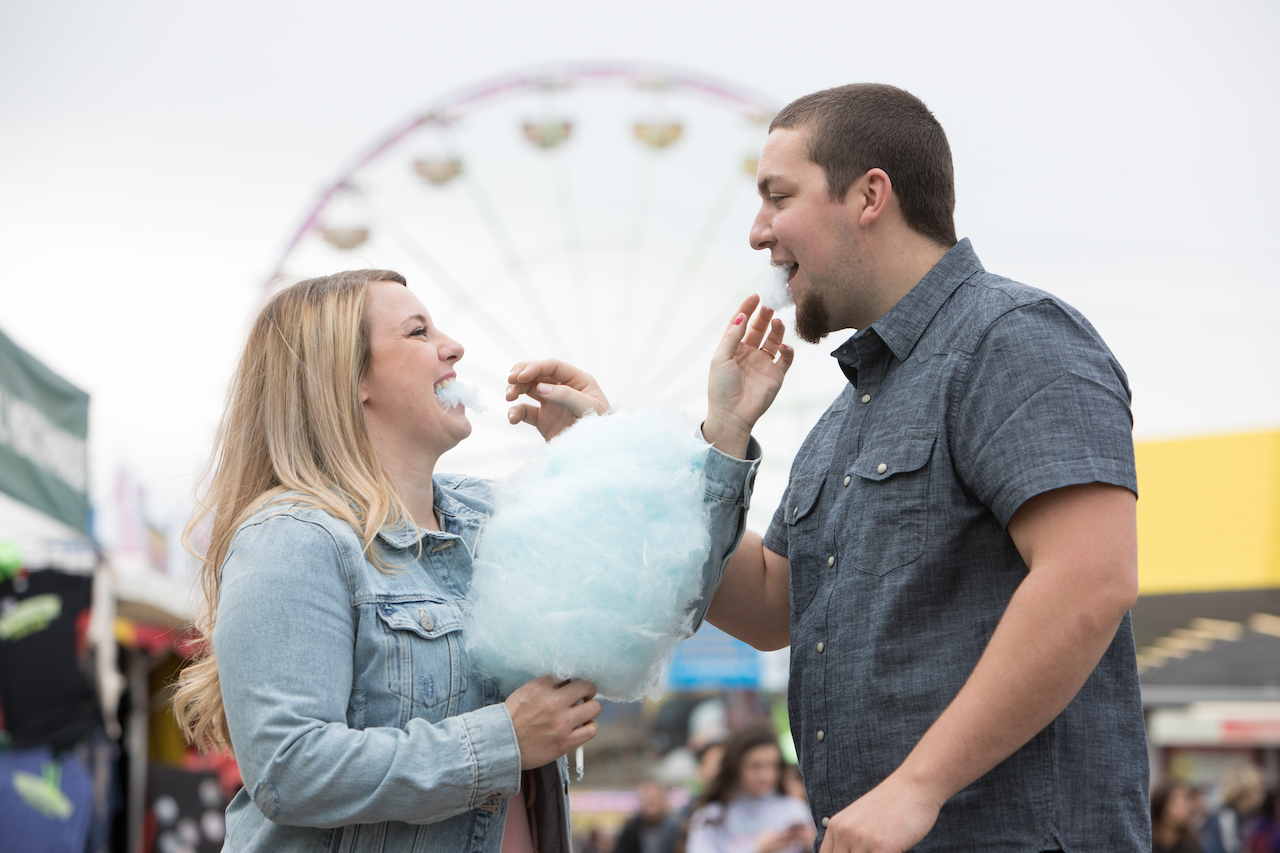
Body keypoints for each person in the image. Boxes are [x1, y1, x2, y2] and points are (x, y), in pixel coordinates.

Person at [171, 270, 768, 853]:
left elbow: (667, 605)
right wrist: (504, 741)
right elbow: (289, 768)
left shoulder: (485, 515)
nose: (452, 346)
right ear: (348, 379)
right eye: (417, 332)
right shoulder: (294, 537)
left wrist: (652, 447)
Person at [700, 83, 1149, 851]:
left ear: (871, 194)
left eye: (778, 196)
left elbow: (1091, 578)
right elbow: (771, 608)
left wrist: (916, 787)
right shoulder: (846, 415)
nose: (757, 232)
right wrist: (717, 438)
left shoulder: (1015, 339)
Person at [685, 726, 815, 853]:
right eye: (756, 766)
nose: (766, 776)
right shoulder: (712, 817)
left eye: (773, 765)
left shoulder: (795, 810)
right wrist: (757, 849)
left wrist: (814, 845)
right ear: (735, 766)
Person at [1202, 765, 1266, 853]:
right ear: (1243, 791)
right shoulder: (1224, 820)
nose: (1260, 797)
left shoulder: (1250, 818)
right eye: (1257, 790)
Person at [616, 781, 675, 853]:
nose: (651, 802)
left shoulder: (676, 830)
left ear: (663, 801)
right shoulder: (630, 831)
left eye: (655, 798)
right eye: (648, 798)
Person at [1151, 779, 1202, 853]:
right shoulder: (1145, 841)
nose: (1190, 805)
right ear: (1163, 803)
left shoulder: (1192, 844)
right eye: (1184, 799)